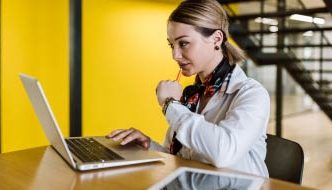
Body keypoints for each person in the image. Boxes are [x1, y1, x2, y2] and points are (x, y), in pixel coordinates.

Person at [106, 0, 270, 177]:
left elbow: (223, 153)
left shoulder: (252, 94)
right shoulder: (192, 95)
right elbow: (180, 158)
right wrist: (149, 146)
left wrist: (170, 105)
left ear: (216, 39)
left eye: (183, 43)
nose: (175, 55)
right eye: (171, 45)